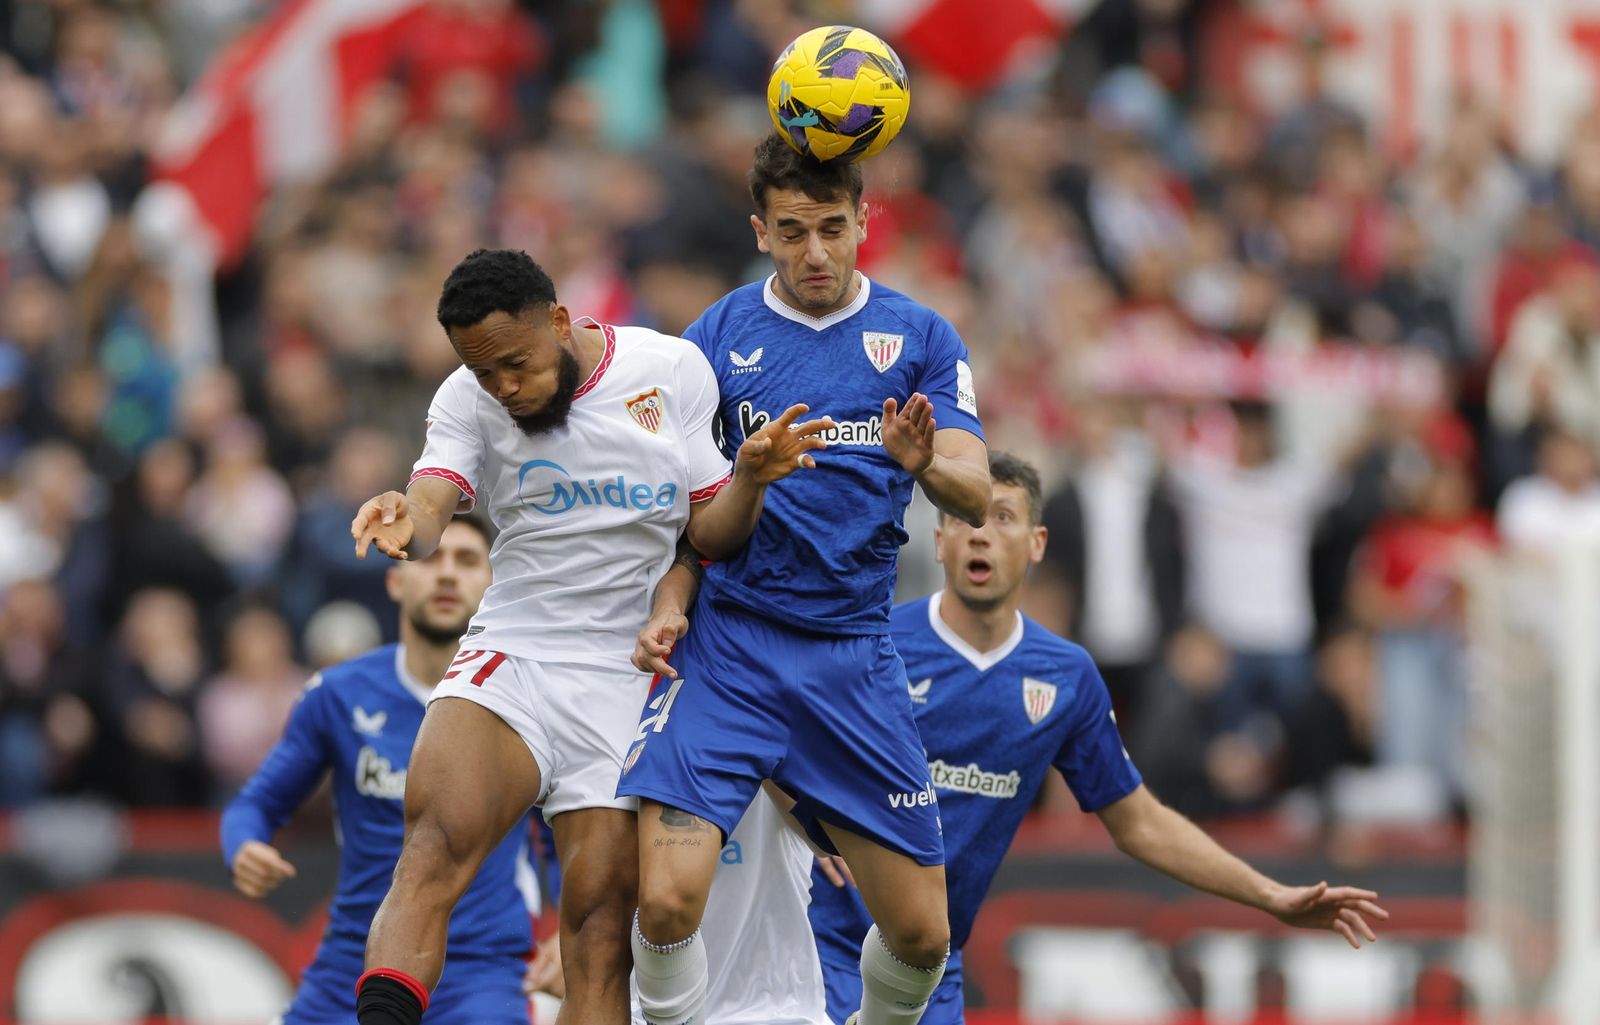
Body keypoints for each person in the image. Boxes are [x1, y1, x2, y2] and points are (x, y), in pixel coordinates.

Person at [348, 249, 831, 1025]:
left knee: (601, 930)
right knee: (431, 853)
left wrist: (748, 481)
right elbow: (436, 493)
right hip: (516, 654)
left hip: (627, 678)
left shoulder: (670, 370)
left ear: (562, 323)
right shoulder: (467, 397)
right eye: (485, 374)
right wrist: (414, 520)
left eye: (517, 364)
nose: (504, 389)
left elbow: (710, 534)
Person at [807, 451, 1390, 1025]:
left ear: (1036, 544)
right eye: (964, 520)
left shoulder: (1065, 677)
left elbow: (1137, 821)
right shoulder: (877, 644)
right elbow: (777, 741)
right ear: (939, 543)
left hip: (936, 968)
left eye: (1002, 517)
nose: (981, 535)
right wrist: (805, 823)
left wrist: (1270, 895)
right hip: (827, 952)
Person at [616, 135, 992, 1025]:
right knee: (666, 902)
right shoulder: (714, 339)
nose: (814, 252)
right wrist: (745, 477)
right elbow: (693, 533)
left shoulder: (922, 337)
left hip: (853, 659)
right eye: (792, 232)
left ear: (866, 220)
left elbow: (975, 490)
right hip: (733, 648)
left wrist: (925, 459)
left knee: (923, 937)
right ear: (760, 231)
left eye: (832, 227)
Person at [221, 517, 557, 1025]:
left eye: (466, 561)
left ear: (494, 586)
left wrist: (571, 933)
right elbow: (256, 804)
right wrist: (244, 845)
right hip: (352, 967)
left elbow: (566, 838)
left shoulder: (530, 700)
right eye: (430, 559)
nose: (446, 575)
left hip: (480, 975)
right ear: (396, 581)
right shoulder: (338, 693)